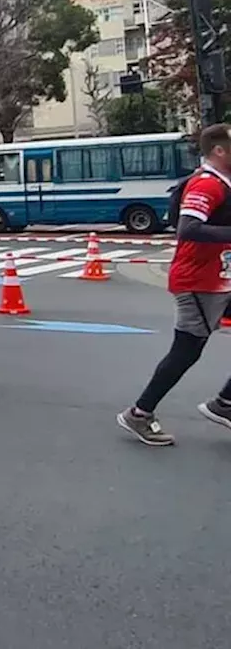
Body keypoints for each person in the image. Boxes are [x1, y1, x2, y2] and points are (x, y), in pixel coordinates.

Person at [117, 123, 231, 446]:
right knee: (186, 352)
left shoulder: (224, 182)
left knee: (188, 350)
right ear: (219, 151)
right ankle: (139, 414)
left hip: (219, 278)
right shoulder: (207, 185)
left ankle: (224, 404)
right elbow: (188, 229)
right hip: (197, 282)